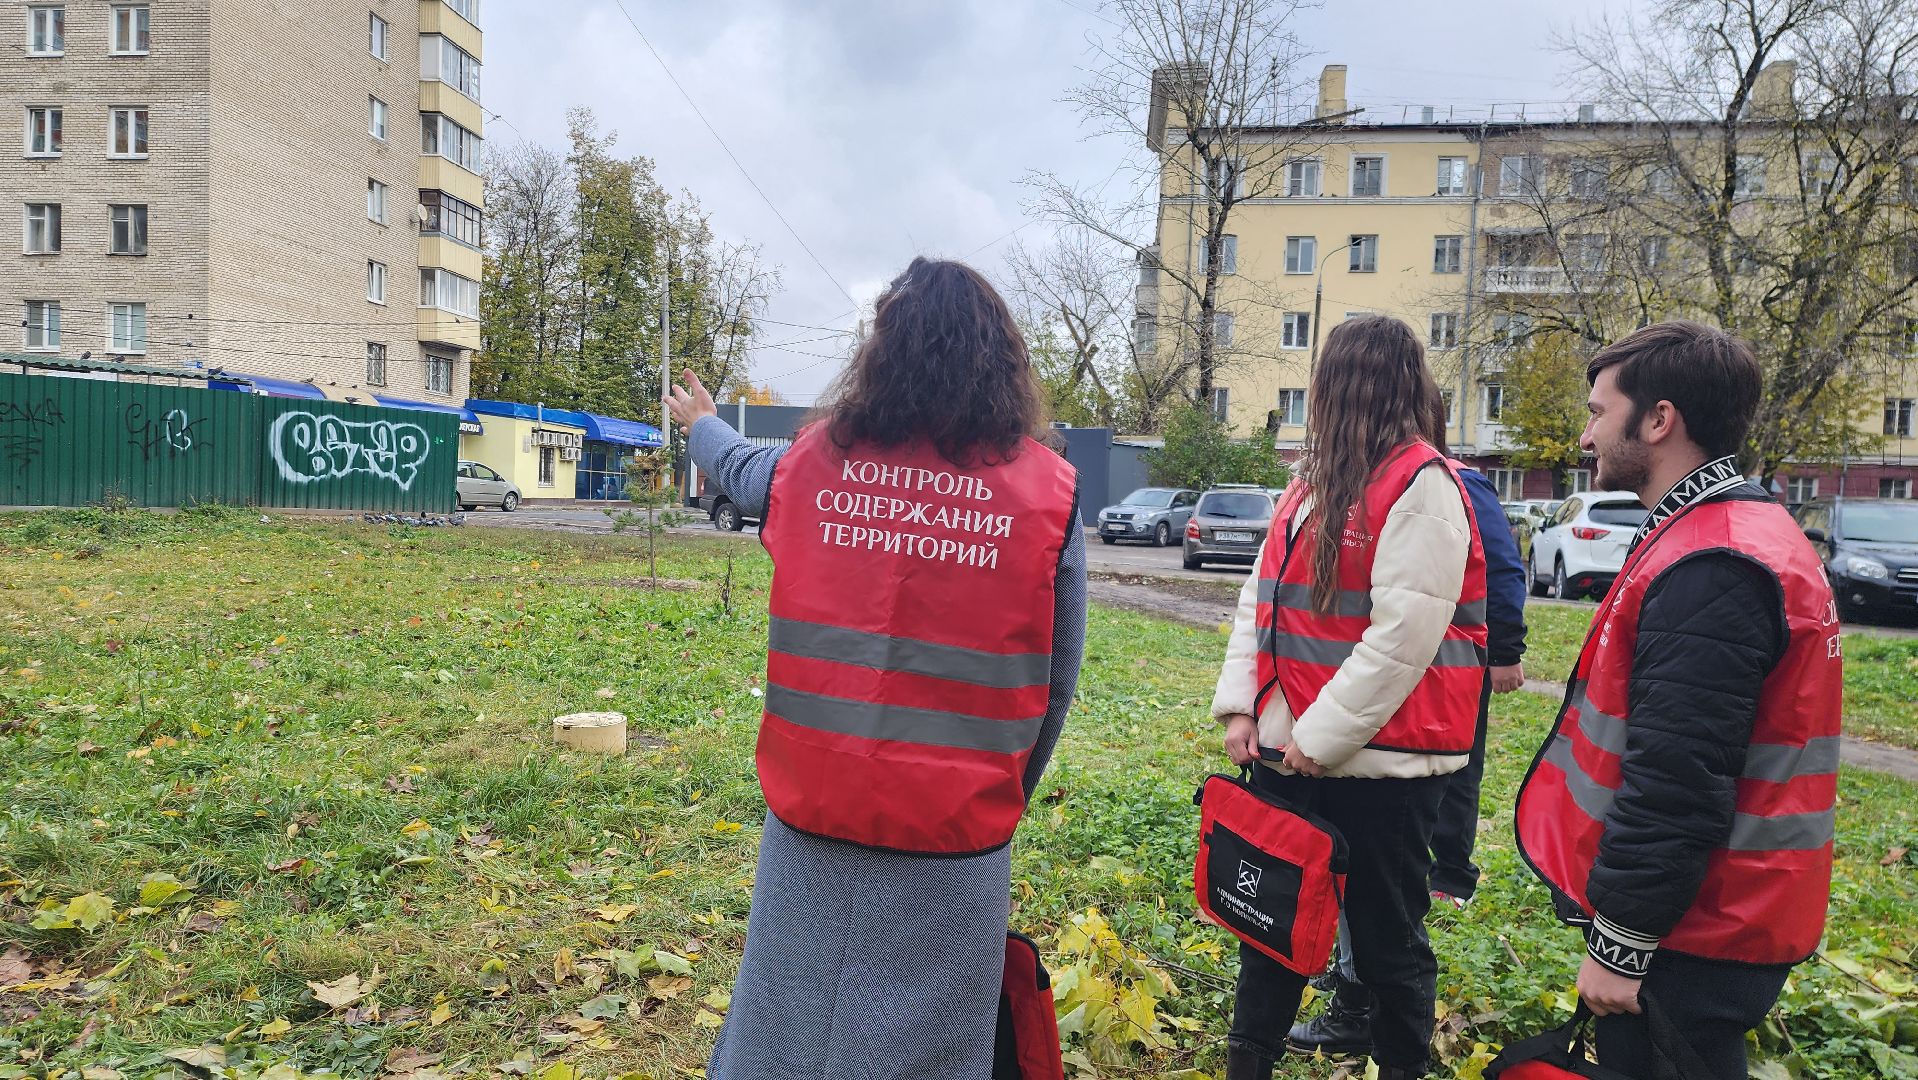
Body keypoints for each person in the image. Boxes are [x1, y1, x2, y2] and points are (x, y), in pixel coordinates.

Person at [664, 256, 1088, 1080]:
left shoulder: (813, 463)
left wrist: (703, 425)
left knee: (782, 1040)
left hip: (809, 824)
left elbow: (745, 473)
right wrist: (995, 796)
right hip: (954, 847)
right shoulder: (1048, 496)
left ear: (881, 352)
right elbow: (1056, 686)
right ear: (1001, 361)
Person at [1514, 321, 1841, 1079]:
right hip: (1710, 916)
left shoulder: (1714, 565)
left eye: (1600, 411)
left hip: (1698, 931)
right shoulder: (1725, 531)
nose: (1587, 433)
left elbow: (1677, 781)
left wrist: (1621, 945)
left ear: (1659, 420)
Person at [1213, 315, 1487, 1080]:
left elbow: (1405, 638)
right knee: (1270, 926)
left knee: (1387, 940)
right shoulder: (1308, 483)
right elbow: (1259, 599)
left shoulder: (1424, 484)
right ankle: (1248, 1065)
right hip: (1293, 753)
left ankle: (1403, 1068)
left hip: (1383, 771)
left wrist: (1320, 737)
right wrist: (1244, 707)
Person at [1289, 392, 1529, 1058]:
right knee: (1351, 887)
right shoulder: (1342, 484)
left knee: (1391, 899)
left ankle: (1388, 1023)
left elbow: (1494, 580)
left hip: (1420, 722)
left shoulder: (1442, 486)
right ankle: (1354, 1007)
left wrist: (1506, 650)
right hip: (1352, 723)